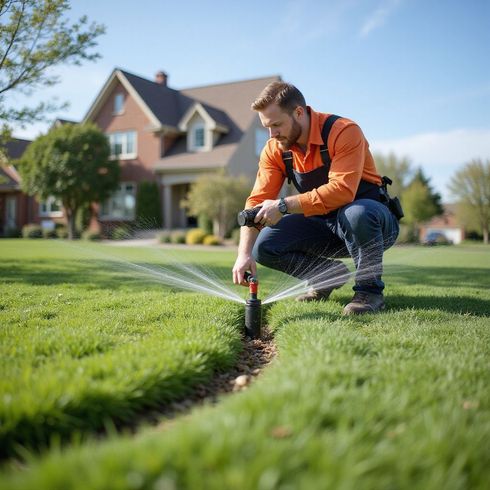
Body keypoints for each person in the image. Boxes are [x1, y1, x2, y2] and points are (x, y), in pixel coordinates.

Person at [232, 81, 400, 315]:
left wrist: (284, 205)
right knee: (265, 247)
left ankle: (369, 292)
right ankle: (327, 276)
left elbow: (342, 190)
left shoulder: (343, 131)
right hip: (326, 224)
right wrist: (244, 254)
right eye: (267, 127)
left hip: (372, 223)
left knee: (356, 213)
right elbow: (257, 201)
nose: (272, 134)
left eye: (277, 125)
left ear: (299, 112)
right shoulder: (275, 148)